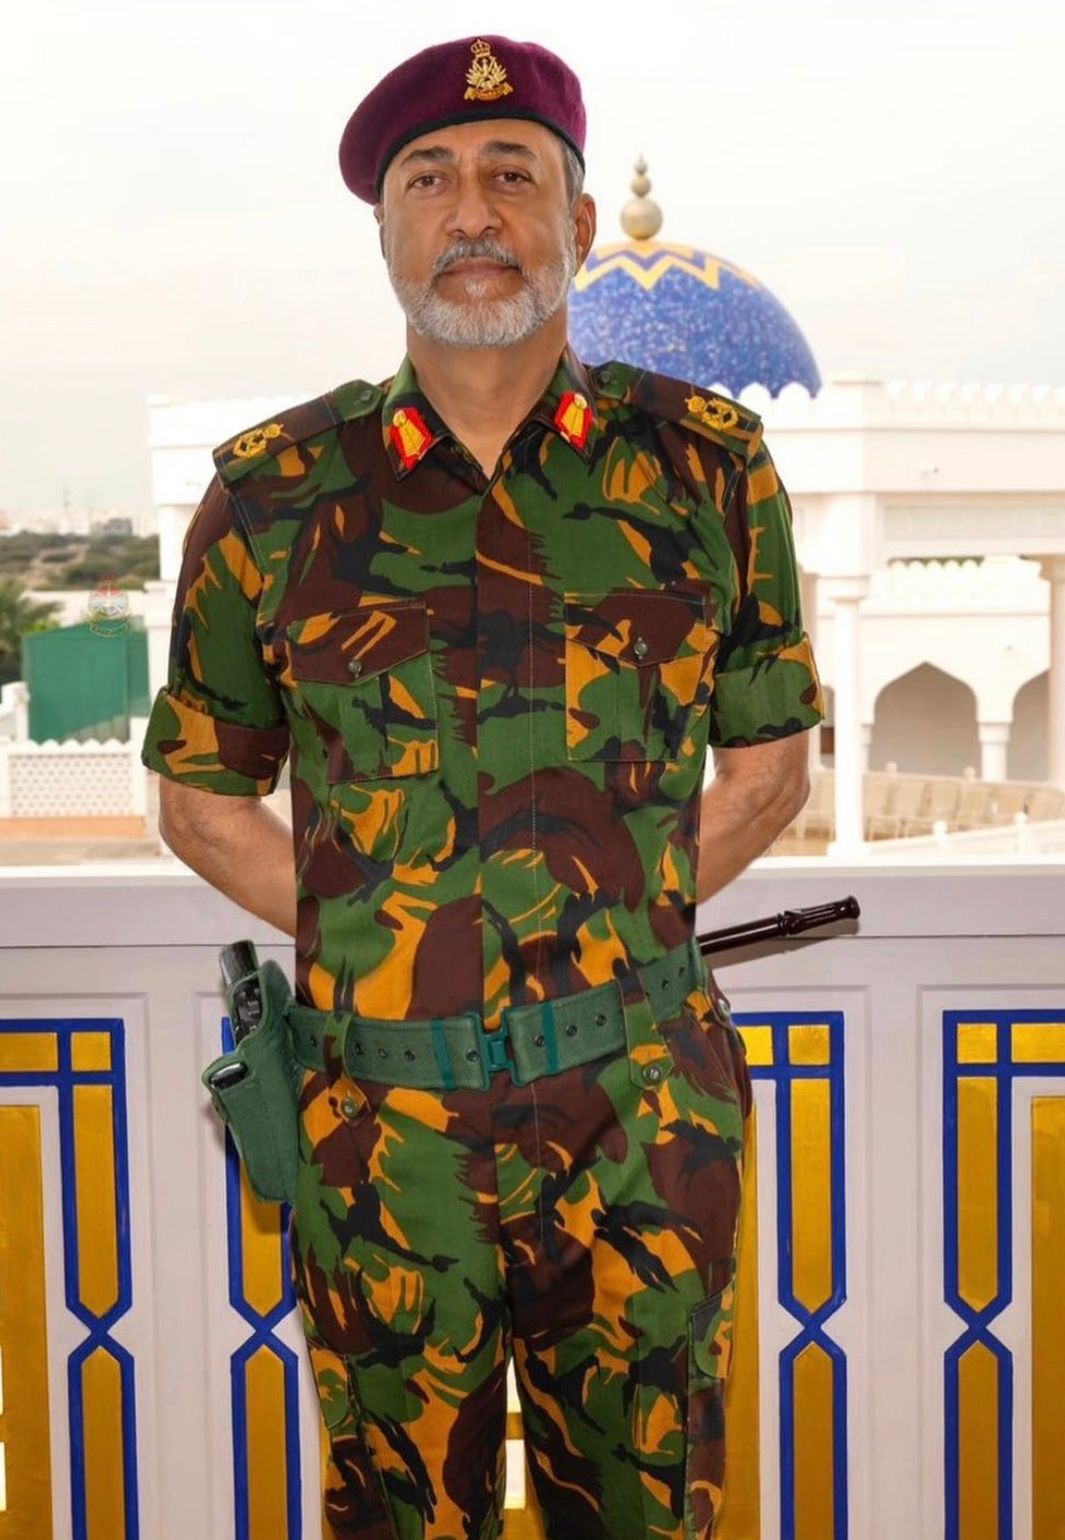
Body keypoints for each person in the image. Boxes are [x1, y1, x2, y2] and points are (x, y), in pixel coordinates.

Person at [141, 32, 824, 1540]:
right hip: (382, 1132)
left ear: (575, 222)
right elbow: (201, 797)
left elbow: (771, 769)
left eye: (512, 176)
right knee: (399, 1518)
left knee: (646, 1512)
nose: (470, 214)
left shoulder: (707, 472)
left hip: (642, 1114)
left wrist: (602, 916)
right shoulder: (276, 496)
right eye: (429, 180)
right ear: (384, 231)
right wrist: (401, 931)